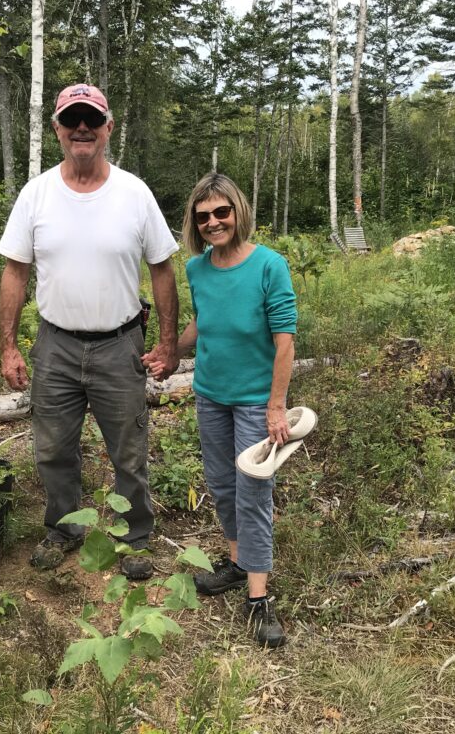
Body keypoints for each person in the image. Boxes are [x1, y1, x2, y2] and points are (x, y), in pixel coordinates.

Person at [0, 83, 179, 580]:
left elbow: (162, 268)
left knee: (129, 447)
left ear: (107, 129)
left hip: (120, 345)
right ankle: (63, 529)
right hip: (55, 346)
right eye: (72, 120)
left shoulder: (134, 193)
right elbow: (15, 270)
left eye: (92, 120)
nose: (82, 128)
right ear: (57, 128)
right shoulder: (37, 194)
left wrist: (166, 342)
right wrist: (8, 346)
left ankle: (133, 535)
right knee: (53, 447)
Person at [145, 173, 297, 648]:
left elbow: (285, 340)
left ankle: (258, 599)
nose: (213, 222)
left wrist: (277, 407)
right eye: (203, 215)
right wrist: (170, 351)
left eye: (221, 213)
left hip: (255, 402)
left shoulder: (270, 265)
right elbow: (202, 321)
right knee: (222, 485)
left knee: (254, 493)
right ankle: (236, 565)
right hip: (211, 395)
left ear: (238, 212)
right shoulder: (197, 269)